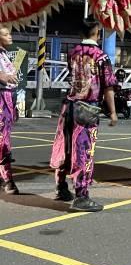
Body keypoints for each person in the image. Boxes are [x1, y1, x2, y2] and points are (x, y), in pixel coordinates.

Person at [50, 20, 117, 212]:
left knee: (64, 147)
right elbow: (108, 87)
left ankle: (61, 187)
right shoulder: (101, 56)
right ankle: (81, 196)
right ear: (97, 33)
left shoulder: (72, 52)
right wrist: (112, 112)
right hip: (87, 108)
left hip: (68, 107)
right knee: (84, 151)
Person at [0, 26, 19, 195]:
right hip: (1, 100)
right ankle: (8, 180)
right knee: (2, 141)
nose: (10, 36)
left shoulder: (4, 53)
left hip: (8, 100)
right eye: (5, 34)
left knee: (4, 139)